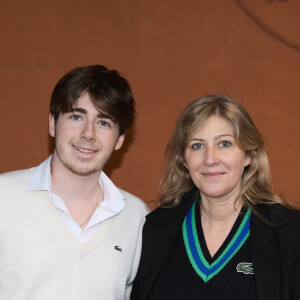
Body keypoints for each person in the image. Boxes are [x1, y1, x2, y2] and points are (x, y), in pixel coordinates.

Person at [131, 94, 300, 300]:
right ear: (184, 160)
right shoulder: (156, 229)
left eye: (224, 144)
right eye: (197, 146)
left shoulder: (289, 232)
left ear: (249, 155)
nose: (210, 159)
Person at [0, 65, 148, 299]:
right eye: (77, 116)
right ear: (52, 124)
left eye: (104, 122)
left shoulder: (137, 217)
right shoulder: (3, 197)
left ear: (120, 139)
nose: (88, 133)